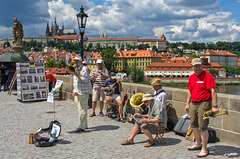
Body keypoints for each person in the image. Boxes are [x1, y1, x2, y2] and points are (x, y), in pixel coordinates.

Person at [185, 58, 218, 158]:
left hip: (204, 103)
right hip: (194, 103)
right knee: (194, 125)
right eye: (195, 66)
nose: (197, 67)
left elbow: (213, 91)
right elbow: (189, 91)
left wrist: (214, 106)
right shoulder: (192, 77)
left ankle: (204, 149)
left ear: (201, 66)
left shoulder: (208, 76)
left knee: (203, 126)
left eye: (199, 65)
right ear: (192, 67)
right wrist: (187, 104)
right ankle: (198, 143)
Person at [72, 56, 92, 132]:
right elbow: (75, 82)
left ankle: (82, 127)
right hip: (78, 91)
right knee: (81, 109)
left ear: (80, 61)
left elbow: (86, 80)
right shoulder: (76, 69)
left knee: (82, 109)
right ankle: (84, 124)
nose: (75, 63)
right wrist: (74, 90)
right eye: (75, 61)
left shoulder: (84, 69)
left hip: (83, 92)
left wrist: (77, 75)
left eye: (77, 61)